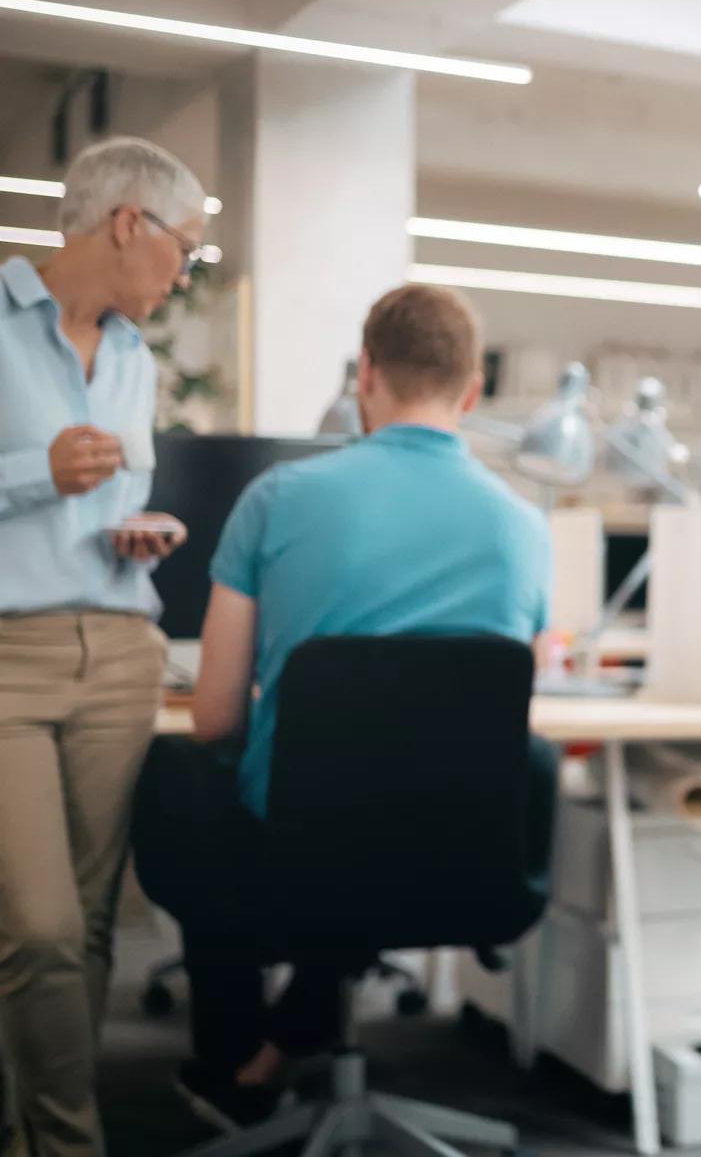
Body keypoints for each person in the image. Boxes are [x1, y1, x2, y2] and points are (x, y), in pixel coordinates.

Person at [131, 284, 553, 1128]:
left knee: (181, 768)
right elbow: (506, 701)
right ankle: (281, 1041)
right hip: (461, 860)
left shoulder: (278, 500)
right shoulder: (525, 524)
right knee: (424, 794)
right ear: (472, 393)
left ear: (366, 375)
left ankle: (234, 1059)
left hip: (298, 854)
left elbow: (214, 715)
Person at [0, 136, 207, 1157]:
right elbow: (51, 477)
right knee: (32, 927)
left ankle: (39, 1129)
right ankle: (68, 1140)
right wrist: (35, 473)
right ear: (130, 222)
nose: (184, 272)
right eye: (186, 248)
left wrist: (141, 529)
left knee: (85, 929)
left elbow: (115, 490)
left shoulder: (133, 356)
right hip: (10, 656)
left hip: (120, 644)